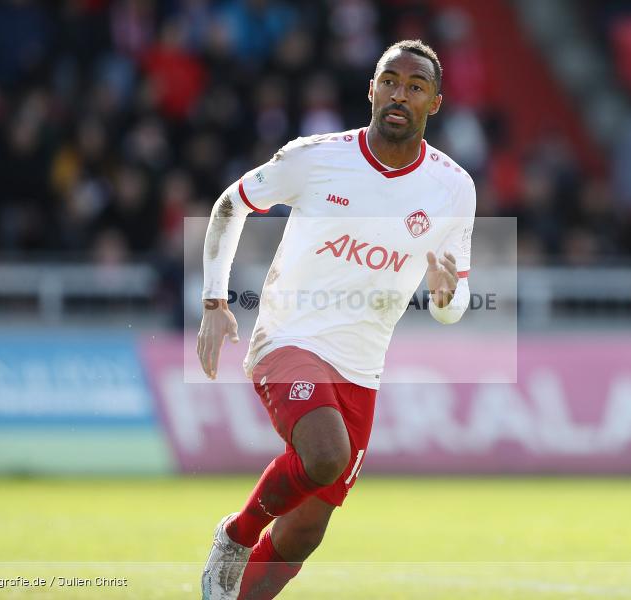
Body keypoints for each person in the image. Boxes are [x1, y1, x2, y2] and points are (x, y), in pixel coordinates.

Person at [197, 39, 475, 600]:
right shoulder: (315, 157)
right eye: (390, 81)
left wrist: (446, 297)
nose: (400, 93)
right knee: (325, 456)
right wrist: (214, 302)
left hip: (361, 369)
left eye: (415, 86)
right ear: (370, 90)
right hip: (287, 338)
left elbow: (453, 307)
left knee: (304, 531)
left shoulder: (453, 189)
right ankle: (236, 535)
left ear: (434, 102)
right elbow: (231, 202)